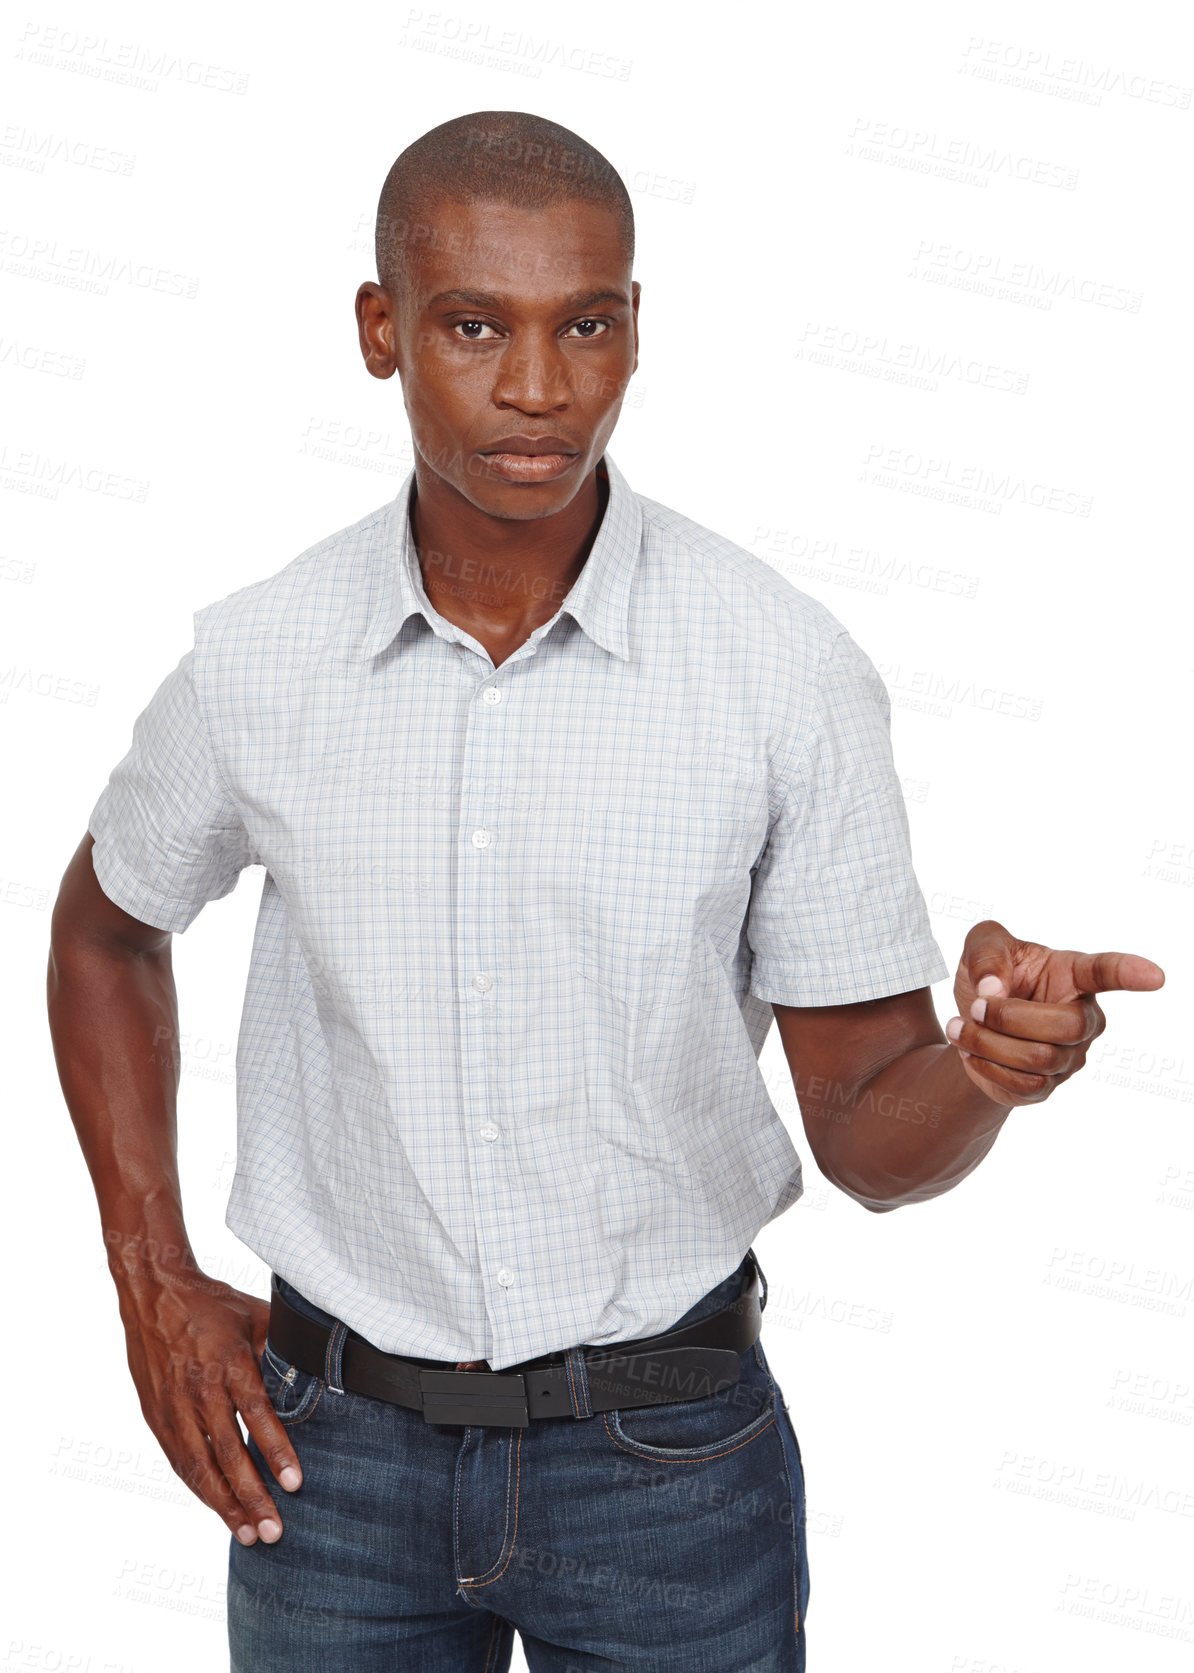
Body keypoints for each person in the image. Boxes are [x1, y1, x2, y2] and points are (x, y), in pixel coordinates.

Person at [46, 110, 1165, 1673]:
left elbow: (868, 1138)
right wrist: (148, 1276)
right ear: (382, 333)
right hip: (332, 1464)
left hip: (667, 1470)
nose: (537, 387)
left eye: (587, 323)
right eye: (472, 326)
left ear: (634, 327)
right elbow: (105, 927)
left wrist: (980, 1068)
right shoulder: (261, 662)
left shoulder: (778, 669)